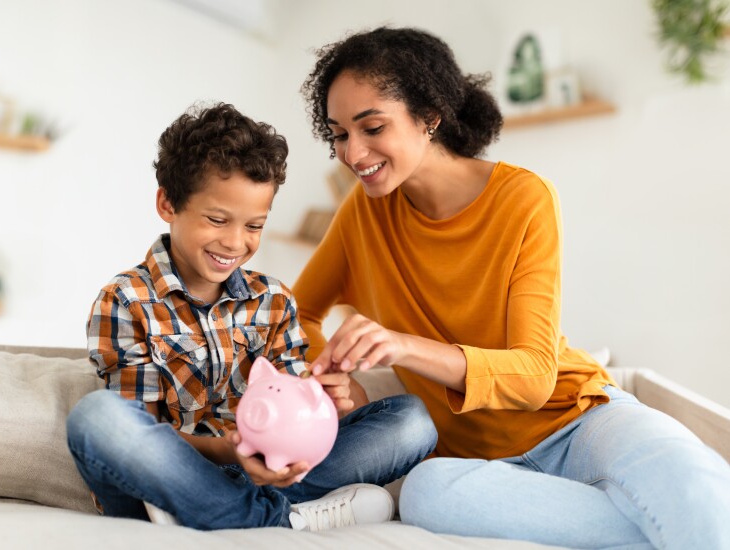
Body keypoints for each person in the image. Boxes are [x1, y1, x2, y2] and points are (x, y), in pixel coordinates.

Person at [294, 27, 730, 548]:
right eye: (339, 134)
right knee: (424, 492)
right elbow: (295, 315)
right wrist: (336, 383)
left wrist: (404, 347)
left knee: (692, 483)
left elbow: (535, 376)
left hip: (579, 423)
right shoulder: (361, 216)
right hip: (476, 467)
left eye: (372, 127)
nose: (352, 152)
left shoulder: (523, 197)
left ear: (429, 116)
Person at [66, 102, 437, 532]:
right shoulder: (126, 300)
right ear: (167, 204)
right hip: (174, 476)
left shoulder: (273, 300)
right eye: (217, 219)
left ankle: (230, 512)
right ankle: (276, 519)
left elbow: (293, 413)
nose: (234, 242)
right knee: (96, 417)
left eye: (254, 226)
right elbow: (143, 430)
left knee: (412, 421)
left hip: (265, 473)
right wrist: (230, 452)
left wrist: (324, 402)